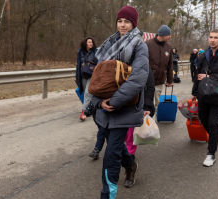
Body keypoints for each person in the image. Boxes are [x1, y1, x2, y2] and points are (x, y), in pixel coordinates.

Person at [92, 6, 149, 198]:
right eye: (119, 21)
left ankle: (108, 194)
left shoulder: (140, 45)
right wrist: (99, 102)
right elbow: (98, 77)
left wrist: (114, 101)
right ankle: (131, 165)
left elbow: (138, 79)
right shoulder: (108, 45)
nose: (122, 25)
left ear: (133, 24)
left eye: (127, 21)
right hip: (105, 107)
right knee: (115, 145)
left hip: (125, 107)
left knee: (111, 154)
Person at [191, 29, 218, 167]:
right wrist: (194, 93)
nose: (212, 40)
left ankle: (211, 154)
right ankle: (214, 139)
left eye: (216, 37)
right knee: (203, 119)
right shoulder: (203, 55)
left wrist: (210, 77)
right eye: (210, 37)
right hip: (204, 93)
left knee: (213, 122)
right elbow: (198, 75)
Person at [124, 67, 155, 160]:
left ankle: (130, 153)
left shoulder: (145, 67)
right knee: (122, 132)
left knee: (131, 132)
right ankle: (124, 150)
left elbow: (150, 87)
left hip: (136, 105)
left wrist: (147, 106)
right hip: (121, 104)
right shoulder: (119, 63)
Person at [146, 25, 173, 110]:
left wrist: (169, 81)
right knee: (148, 104)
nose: (170, 36)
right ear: (163, 34)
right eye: (168, 34)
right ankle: (148, 122)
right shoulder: (147, 44)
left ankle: (151, 121)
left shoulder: (168, 47)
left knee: (156, 103)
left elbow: (170, 65)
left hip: (160, 82)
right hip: (147, 82)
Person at [75, 37, 98, 121]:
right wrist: (76, 77)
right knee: (86, 93)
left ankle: (84, 112)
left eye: (92, 42)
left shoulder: (96, 51)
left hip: (93, 75)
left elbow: (99, 63)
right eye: (89, 42)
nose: (91, 43)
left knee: (88, 93)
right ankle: (91, 108)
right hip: (83, 75)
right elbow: (78, 65)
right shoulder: (80, 52)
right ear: (85, 44)